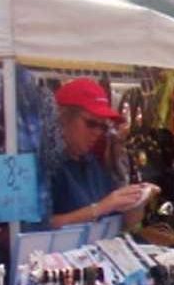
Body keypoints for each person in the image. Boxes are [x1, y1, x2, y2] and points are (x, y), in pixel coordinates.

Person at [50, 77, 152, 230]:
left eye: (103, 127)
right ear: (64, 118)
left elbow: (122, 224)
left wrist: (138, 201)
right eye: (91, 123)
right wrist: (100, 208)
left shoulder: (92, 164)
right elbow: (33, 228)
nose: (97, 133)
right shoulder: (44, 165)